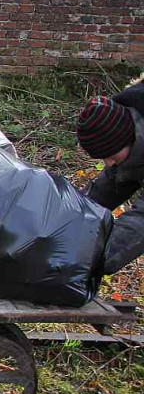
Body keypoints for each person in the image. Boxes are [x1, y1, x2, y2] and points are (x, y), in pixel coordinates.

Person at [77, 77, 144, 274]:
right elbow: (101, 194)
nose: (109, 163)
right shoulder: (134, 121)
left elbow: (139, 224)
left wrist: (86, 257)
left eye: (110, 156)